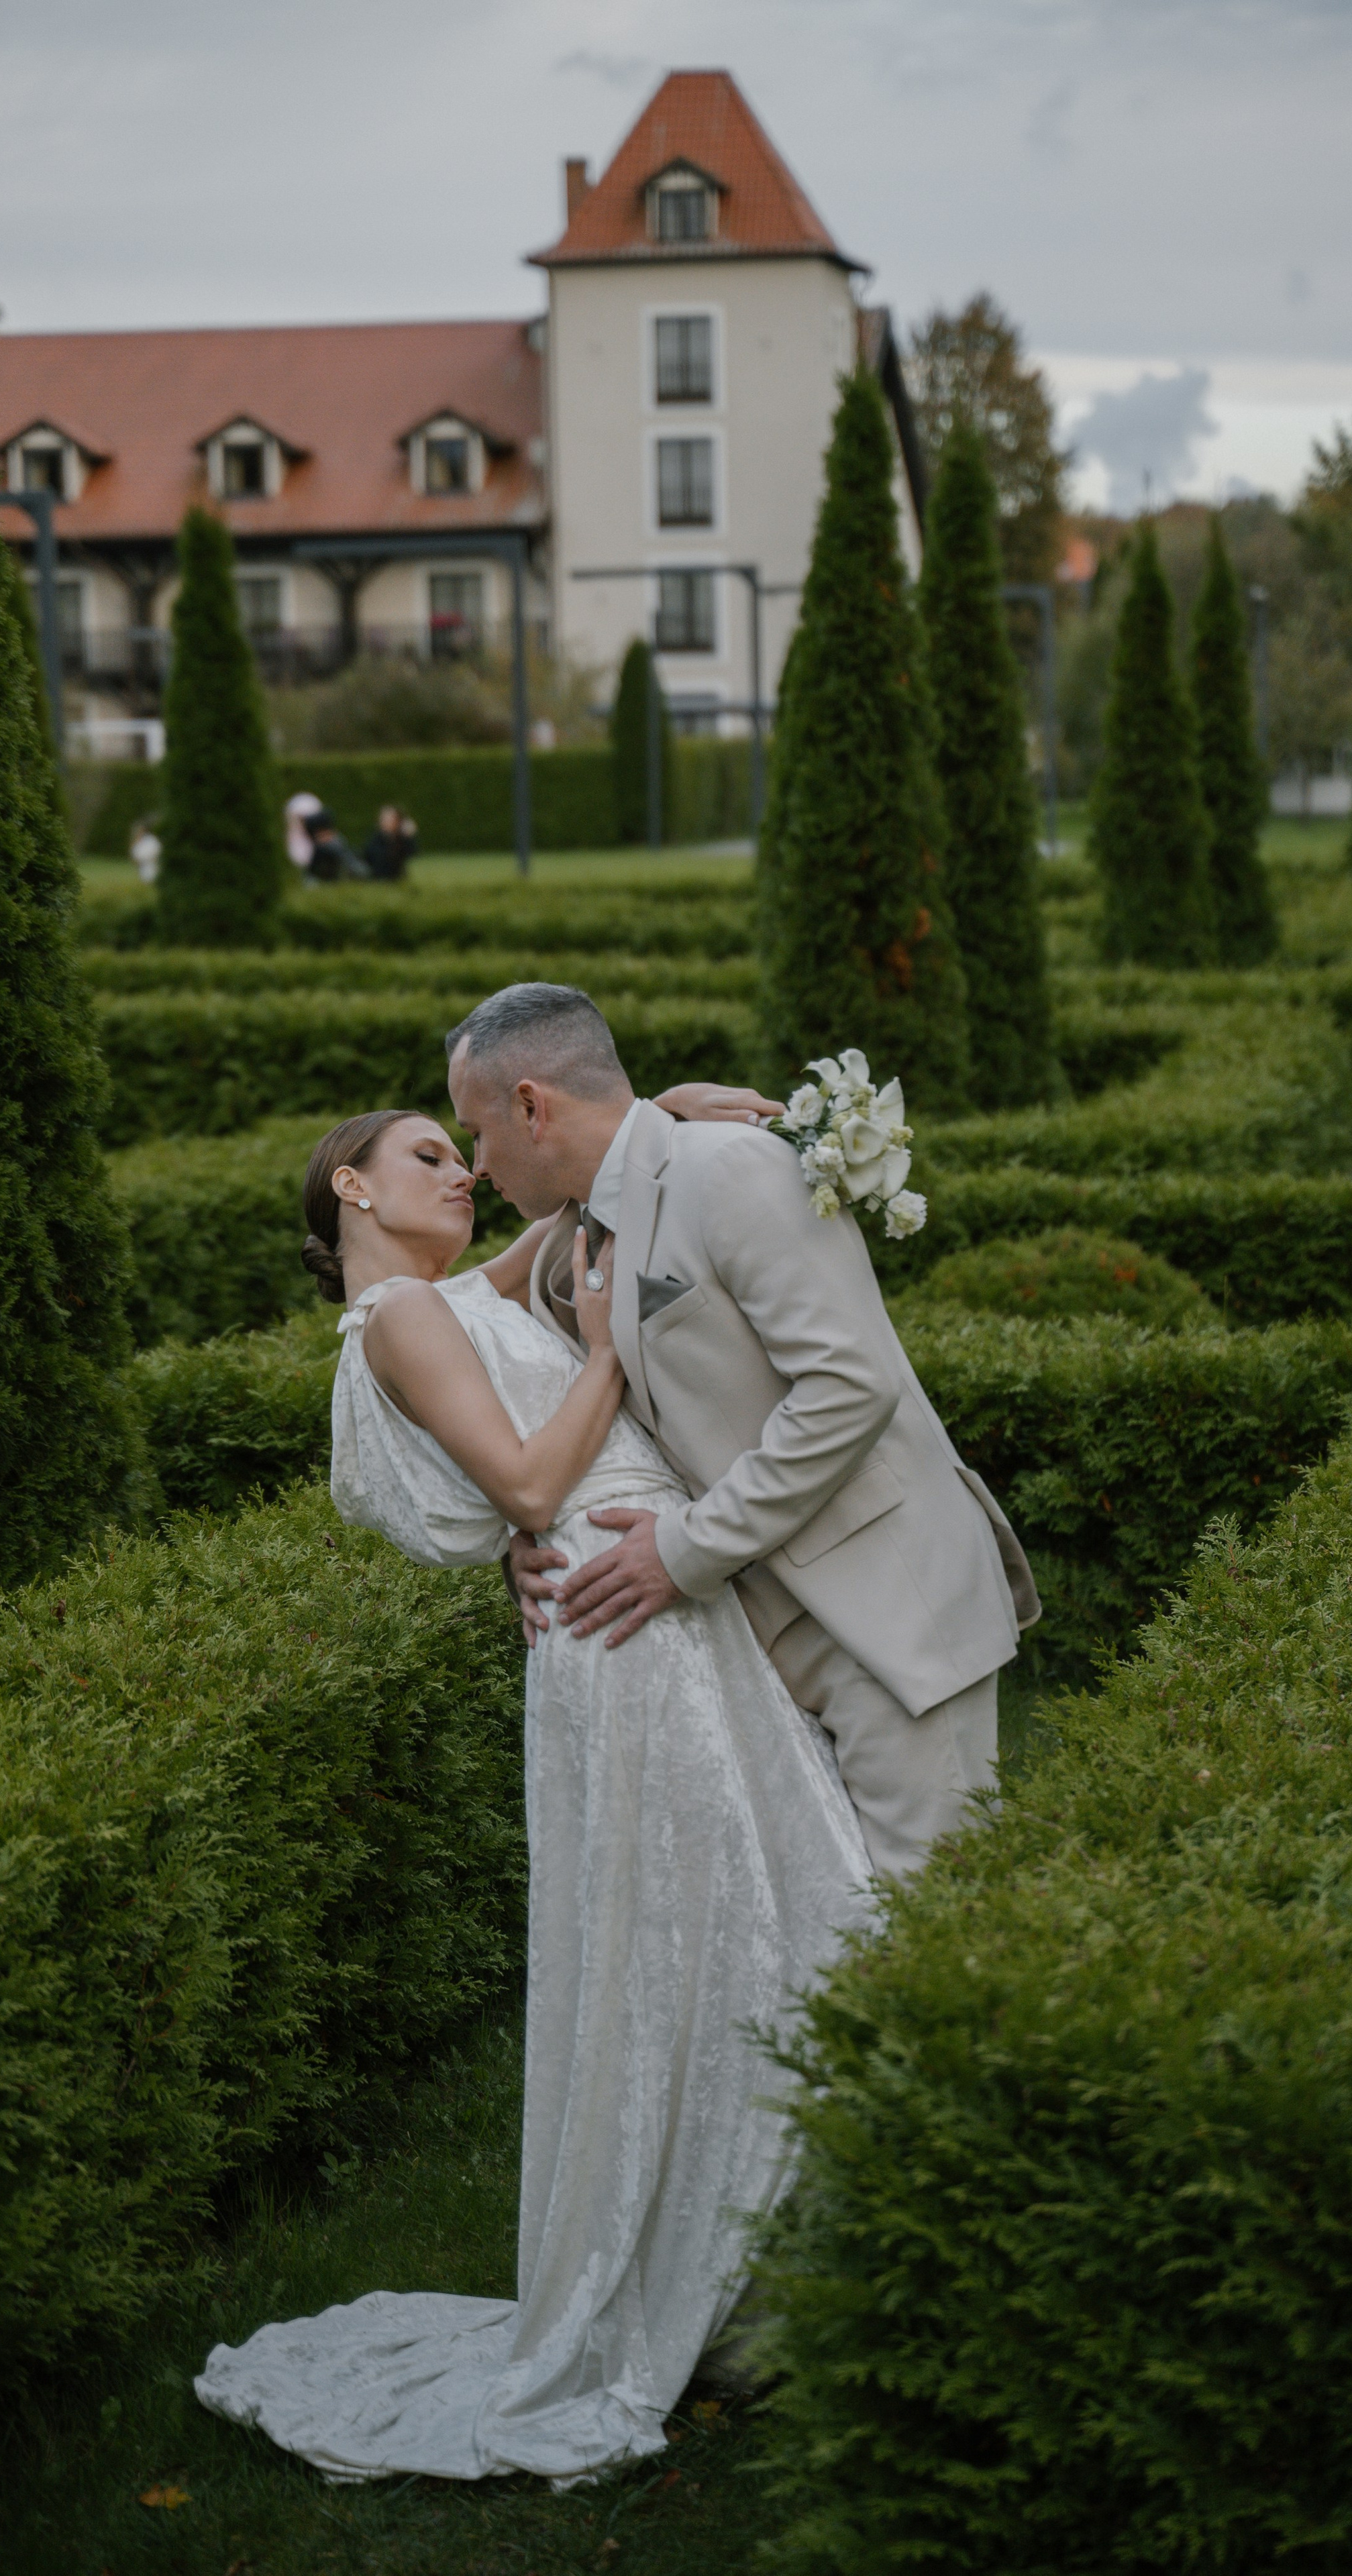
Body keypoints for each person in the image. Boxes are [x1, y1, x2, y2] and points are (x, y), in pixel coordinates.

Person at [195, 1089, 872, 2486]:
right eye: (429, 1158)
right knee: (709, 1930)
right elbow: (521, 1484)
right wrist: (614, 1356)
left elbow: (562, 1210)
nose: (465, 1173)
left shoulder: (447, 1299)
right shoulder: (397, 1320)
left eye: (464, 1151)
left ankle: (741, 2256)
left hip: (640, 1610)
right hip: (622, 1634)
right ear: (353, 1195)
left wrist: (657, 1110)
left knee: (746, 1911)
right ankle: (703, 2273)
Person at [448, 983, 1041, 1882]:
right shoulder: (572, 1235)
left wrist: (682, 1551)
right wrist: (530, 1538)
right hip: (753, 1642)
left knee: (934, 1934)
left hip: (884, 1610)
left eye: (477, 1133)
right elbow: (467, 1354)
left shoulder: (728, 1170)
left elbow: (848, 1387)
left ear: (531, 1105)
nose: (477, 1167)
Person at [360, 803, 418, 881]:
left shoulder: (401, 839)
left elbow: (413, 853)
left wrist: (409, 836)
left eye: (390, 819)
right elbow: (378, 862)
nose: (386, 822)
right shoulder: (375, 840)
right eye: (384, 819)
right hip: (376, 876)